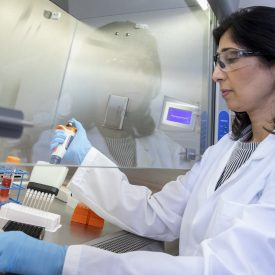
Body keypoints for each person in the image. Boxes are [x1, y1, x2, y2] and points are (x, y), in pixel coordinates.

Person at [1, 5, 275, 274]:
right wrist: (86, 157)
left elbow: (224, 268)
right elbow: (157, 215)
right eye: (218, 62)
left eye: (232, 58)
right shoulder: (225, 150)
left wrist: (66, 261)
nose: (216, 74)